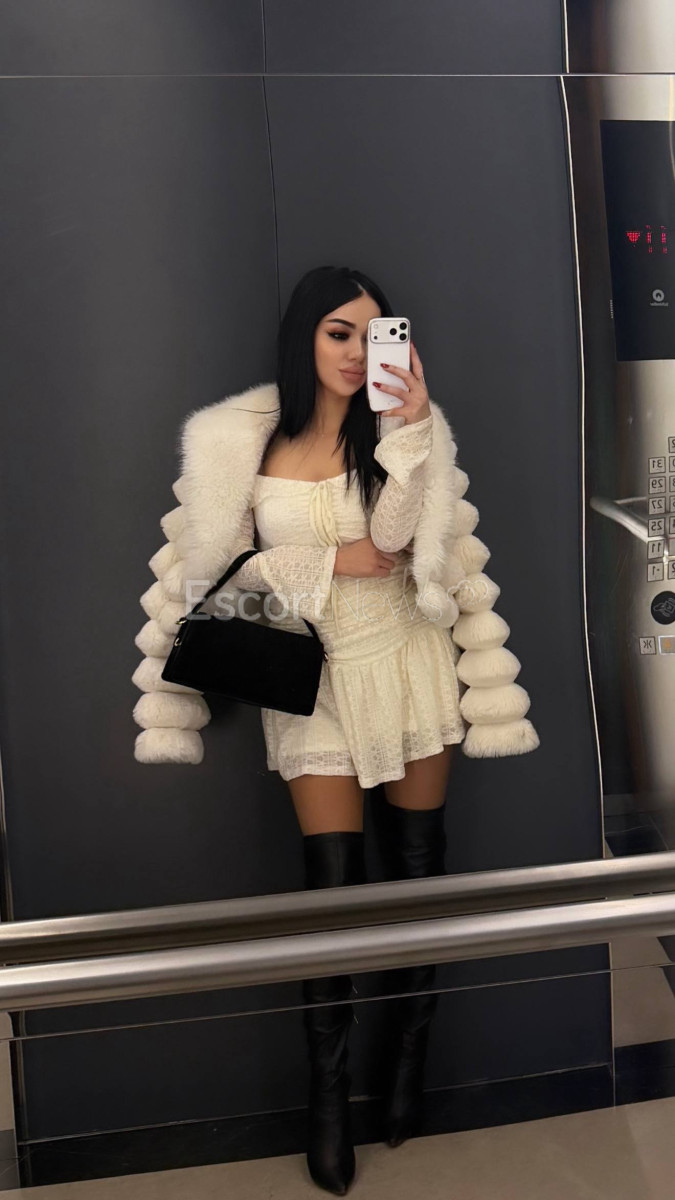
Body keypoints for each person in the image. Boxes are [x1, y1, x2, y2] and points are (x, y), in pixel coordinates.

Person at [132, 265, 539, 1196]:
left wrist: (410, 430)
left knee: (419, 878)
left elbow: (392, 543)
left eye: (373, 333)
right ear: (304, 337)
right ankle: (328, 1104)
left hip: (408, 666)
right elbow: (215, 574)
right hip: (307, 681)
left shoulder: (402, 431)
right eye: (338, 333)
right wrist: (319, 564)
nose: (357, 353)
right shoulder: (238, 441)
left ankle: (407, 1069)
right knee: (331, 897)